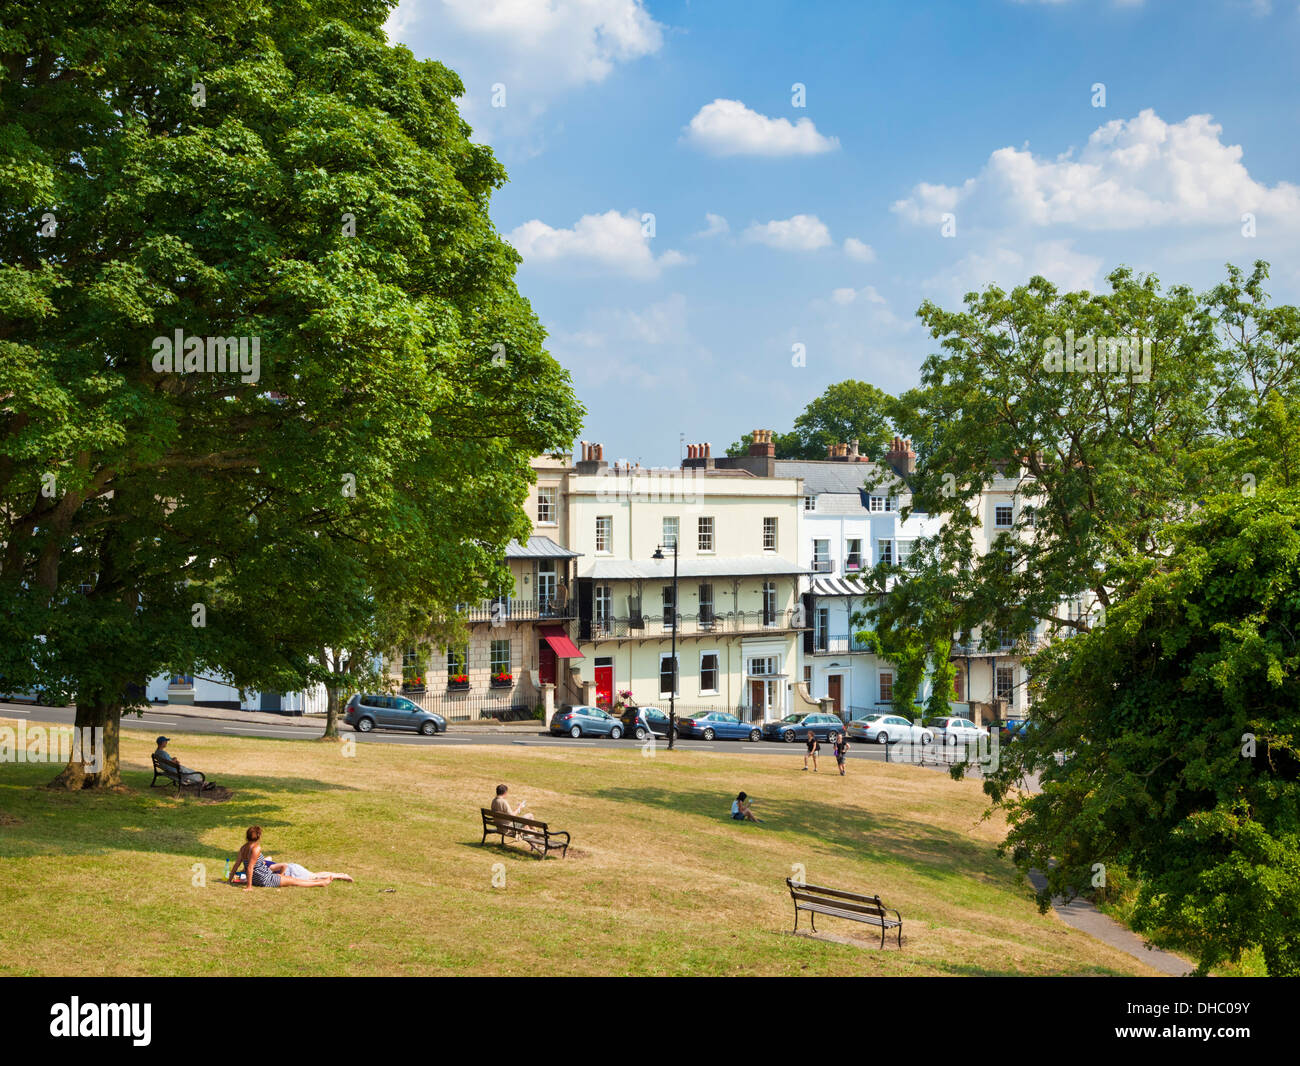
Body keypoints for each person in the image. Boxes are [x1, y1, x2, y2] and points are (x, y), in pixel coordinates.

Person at [229, 826, 339, 891]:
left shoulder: (243, 848)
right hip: (264, 879)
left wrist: (229, 880)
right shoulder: (255, 848)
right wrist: (249, 886)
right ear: (259, 837)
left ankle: (320, 880)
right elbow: (250, 867)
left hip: (263, 876)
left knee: (288, 878)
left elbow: (237, 865)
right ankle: (321, 883)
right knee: (294, 881)